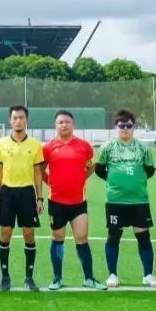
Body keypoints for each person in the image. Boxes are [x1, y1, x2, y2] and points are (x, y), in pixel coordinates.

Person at [42, 110, 106, 290]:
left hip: (78, 202)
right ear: (55, 126)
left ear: (73, 124)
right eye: (60, 122)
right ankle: (57, 278)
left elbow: (91, 166)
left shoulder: (85, 146)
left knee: (82, 238)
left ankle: (89, 278)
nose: (64, 125)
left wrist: (80, 179)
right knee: (58, 238)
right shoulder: (48, 148)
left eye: (67, 122)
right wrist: (50, 182)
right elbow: (40, 170)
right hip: (56, 202)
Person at [95, 109, 156, 288]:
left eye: (128, 126)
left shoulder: (143, 148)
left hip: (139, 201)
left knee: (143, 237)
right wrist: (115, 181)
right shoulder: (107, 147)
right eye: (121, 125)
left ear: (133, 127)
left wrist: (134, 182)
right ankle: (112, 275)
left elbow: (150, 170)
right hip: (115, 201)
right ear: (116, 126)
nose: (125, 129)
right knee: (114, 236)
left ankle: (148, 275)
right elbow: (100, 170)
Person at [0, 105, 45, 291]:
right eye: (15, 118)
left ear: (27, 120)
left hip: (27, 193)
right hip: (7, 193)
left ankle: (29, 278)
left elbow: (38, 172)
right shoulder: (1, 143)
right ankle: (5, 277)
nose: (18, 121)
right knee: (5, 232)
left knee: (29, 234)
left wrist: (40, 198)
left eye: (21, 118)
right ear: (10, 121)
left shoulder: (35, 145)